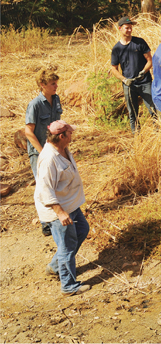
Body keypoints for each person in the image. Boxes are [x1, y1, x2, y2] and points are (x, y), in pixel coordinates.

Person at [34, 120, 91, 296]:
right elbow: (45, 190)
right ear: (61, 136)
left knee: (82, 229)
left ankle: (55, 266)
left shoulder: (63, 149)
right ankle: (68, 285)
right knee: (67, 245)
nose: (72, 135)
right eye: (69, 133)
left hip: (69, 202)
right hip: (57, 208)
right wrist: (59, 212)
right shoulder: (49, 158)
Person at [25, 69, 63, 236]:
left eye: (56, 83)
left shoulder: (56, 99)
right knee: (42, 185)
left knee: (56, 182)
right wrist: (42, 153)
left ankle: (56, 216)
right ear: (42, 85)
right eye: (52, 83)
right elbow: (28, 132)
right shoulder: (35, 104)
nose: (56, 86)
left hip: (53, 148)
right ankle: (45, 223)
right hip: (39, 152)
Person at [110, 16, 157, 132]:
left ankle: (159, 134)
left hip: (145, 82)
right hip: (129, 85)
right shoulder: (116, 49)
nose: (130, 30)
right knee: (133, 114)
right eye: (127, 28)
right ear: (120, 29)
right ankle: (137, 137)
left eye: (131, 28)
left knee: (153, 110)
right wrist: (124, 80)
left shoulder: (139, 42)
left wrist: (143, 72)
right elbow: (113, 68)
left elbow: (150, 61)